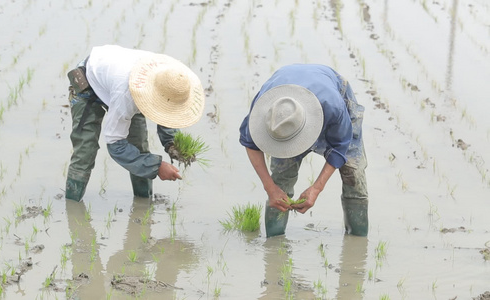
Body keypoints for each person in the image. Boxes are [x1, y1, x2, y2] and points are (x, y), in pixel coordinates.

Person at [239, 64, 368, 237]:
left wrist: (316, 188)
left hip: (331, 98)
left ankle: (357, 240)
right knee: (280, 180)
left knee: (353, 173)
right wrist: (270, 187)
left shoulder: (333, 105)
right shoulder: (265, 111)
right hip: (285, 93)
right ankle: (274, 245)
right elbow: (250, 143)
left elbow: (340, 147)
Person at [65, 45, 205, 202]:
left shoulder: (172, 77)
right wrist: (157, 167)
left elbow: (167, 108)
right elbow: (115, 144)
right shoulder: (126, 96)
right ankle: (72, 208)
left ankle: (143, 204)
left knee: (139, 148)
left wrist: (172, 144)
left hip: (120, 78)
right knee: (85, 151)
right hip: (89, 83)